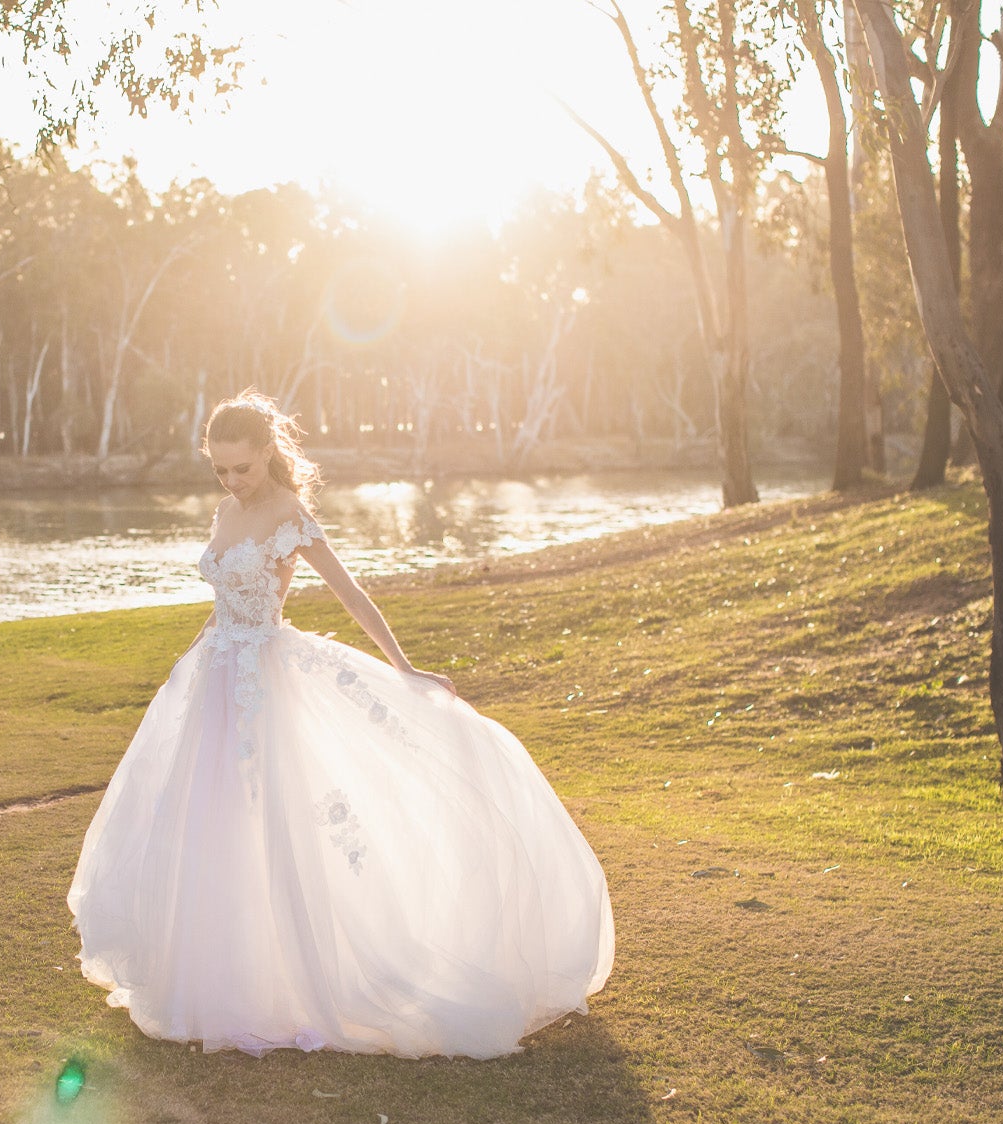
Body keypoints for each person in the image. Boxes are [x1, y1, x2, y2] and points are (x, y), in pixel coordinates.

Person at [67, 389, 614, 1058]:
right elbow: (224, 601)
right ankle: (218, 970)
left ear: (267, 452)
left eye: (241, 467)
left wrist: (406, 667)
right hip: (215, 676)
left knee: (283, 820)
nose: (231, 481)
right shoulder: (224, 509)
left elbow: (350, 593)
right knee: (212, 822)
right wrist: (194, 655)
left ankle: (304, 973)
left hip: (266, 680)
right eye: (219, 469)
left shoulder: (289, 515)